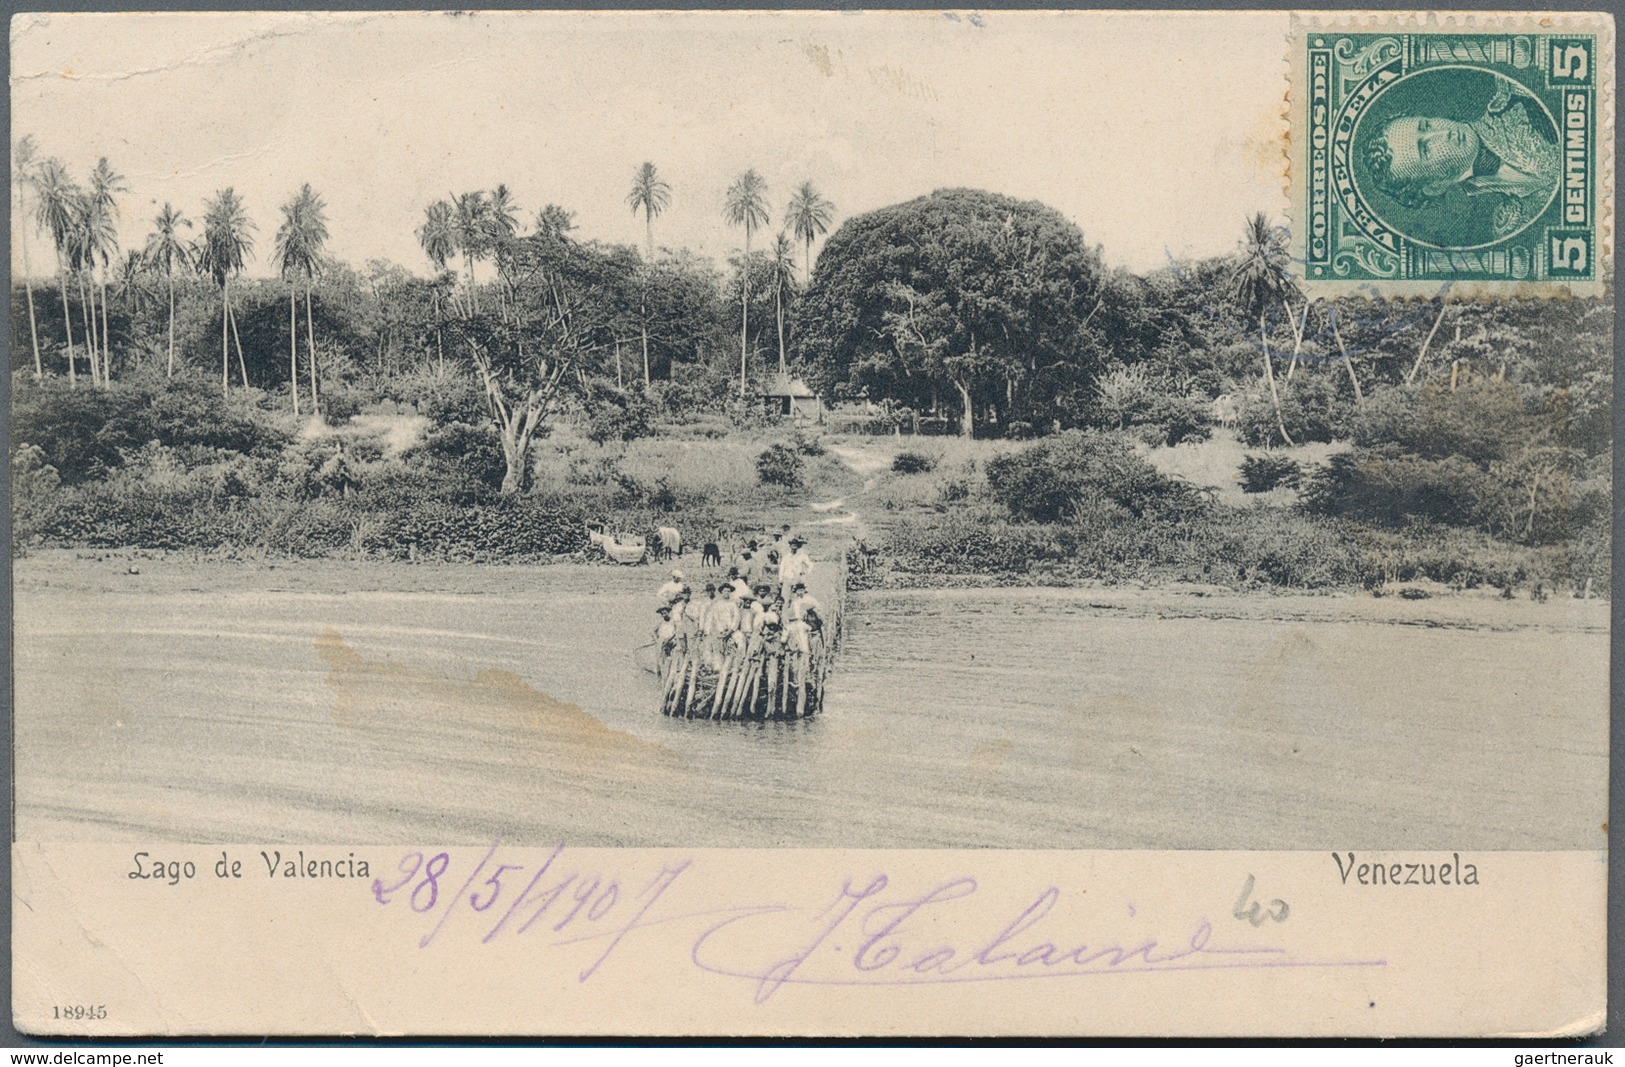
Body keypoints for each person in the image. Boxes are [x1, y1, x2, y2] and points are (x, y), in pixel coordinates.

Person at [1363, 78, 1559, 237]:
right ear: (1435, 186)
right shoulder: (1506, 226)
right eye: (1426, 149)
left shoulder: (1516, 96)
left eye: (1427, 126)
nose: (1442, 134)